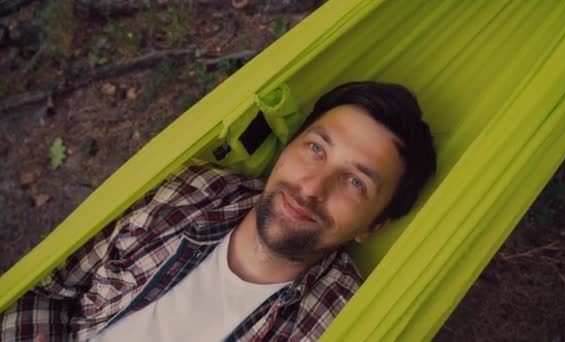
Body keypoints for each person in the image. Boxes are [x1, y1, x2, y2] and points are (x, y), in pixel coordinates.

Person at [0, 81, 436, 341]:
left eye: (356, 182)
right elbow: (51, 291)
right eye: (316, 149)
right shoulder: (186, 193)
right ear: (288, 147)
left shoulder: (343, 324)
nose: (311, 187)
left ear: (373, 226)